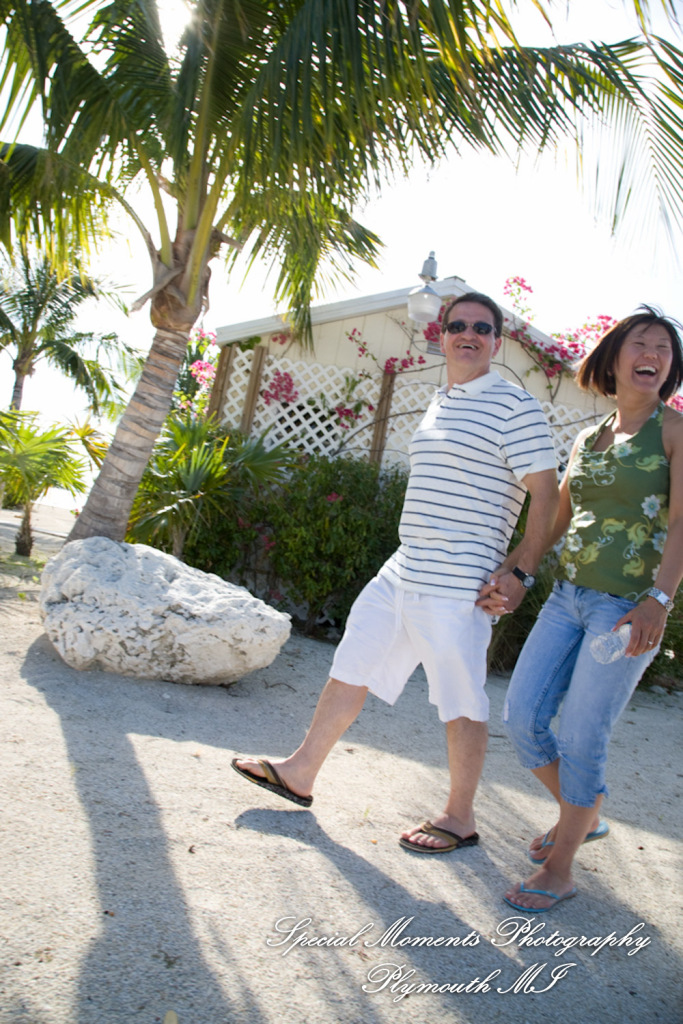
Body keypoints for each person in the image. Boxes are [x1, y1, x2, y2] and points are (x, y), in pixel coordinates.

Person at [233, 292, 559, 852]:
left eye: (482, 328)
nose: (469, 334)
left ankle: (460, 817)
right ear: (441, 335)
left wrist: (520, 573)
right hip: (404, 566)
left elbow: (547, 498)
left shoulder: (514, 405)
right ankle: (301, 772)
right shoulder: (441, 400)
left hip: (460, 580)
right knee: (352, 663)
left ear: (496, 342)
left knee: (461, 698)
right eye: (458, 324)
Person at [499, 305, 683, 911]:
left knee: (582, 737)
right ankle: (586, 810)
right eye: (642, 341)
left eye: (664, 346)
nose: (654, 352)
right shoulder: (590, 435)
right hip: (566, 598)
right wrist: (520, 569)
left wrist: (660, 598)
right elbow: (556, 517)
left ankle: (561, 866)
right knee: (523, 718)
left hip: (626, 610)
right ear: (615, 355)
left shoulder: (675, 431)